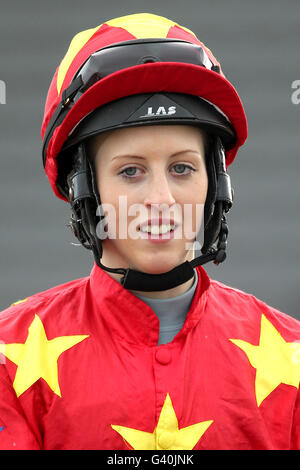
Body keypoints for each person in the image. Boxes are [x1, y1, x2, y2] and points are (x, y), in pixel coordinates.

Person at [0, 13, 299, 451]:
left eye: (182, 168)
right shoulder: (10, 355)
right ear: (83, 188)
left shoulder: (292, 359)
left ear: (214, 185)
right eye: (131, 171)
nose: (161, 199)